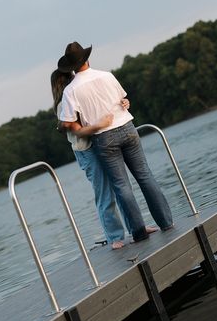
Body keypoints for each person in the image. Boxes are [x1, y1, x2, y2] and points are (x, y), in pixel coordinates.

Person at [58, 42, 174, 243]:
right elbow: (123, 100)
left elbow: (67, 122)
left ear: (71, 67)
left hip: (103, 137)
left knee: (122, 186)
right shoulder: (107, 75)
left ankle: (139, 232)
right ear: (87, 59)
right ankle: (166, 222)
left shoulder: (71, 90)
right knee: (145, 176)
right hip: (128, 128)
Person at [51, 68, 134, 249]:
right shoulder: (63, 106)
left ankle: (135, 228)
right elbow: (80, 131)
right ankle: (115, 237)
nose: (75, 79)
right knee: (104, 193)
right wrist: (101, 124)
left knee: (120, 187)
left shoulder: (79, 94)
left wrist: (123, 103)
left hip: (103, 143)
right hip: (87, 151)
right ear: (62, 84)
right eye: (70, 77)